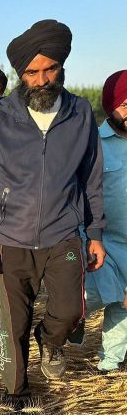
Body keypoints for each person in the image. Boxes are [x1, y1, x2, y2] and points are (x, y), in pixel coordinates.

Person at [0, 20, 105, 407]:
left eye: (50, 69)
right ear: (19, 73)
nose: (42, 79)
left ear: (62, 66)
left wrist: (95, 233)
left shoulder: (80, 113)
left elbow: (91, 177)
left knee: (71, 309)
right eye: (32, 71)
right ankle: (15, 391)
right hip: (11, 238)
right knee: (14, 324)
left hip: (64, 234)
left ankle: (51, 341)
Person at [83, 70, 127, 372]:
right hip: (100, 240)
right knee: (93, 298)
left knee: (123, 306)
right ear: (109, 106)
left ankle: (110, 363)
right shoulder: (93, 143)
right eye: (124, 104)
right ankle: (59, 330)